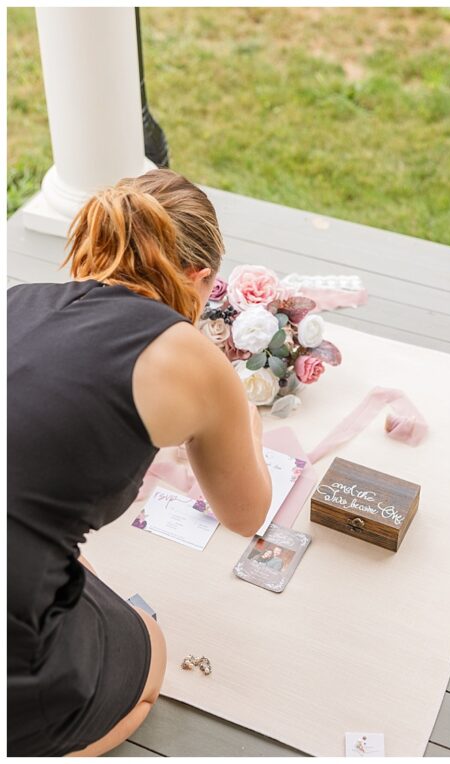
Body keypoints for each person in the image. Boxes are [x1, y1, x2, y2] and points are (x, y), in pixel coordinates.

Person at [8, 169, 274, 756]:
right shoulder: (192, 357)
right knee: (149, 647)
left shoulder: (15, 301)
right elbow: (246, 514)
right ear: (200, 278)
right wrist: (245, 420)